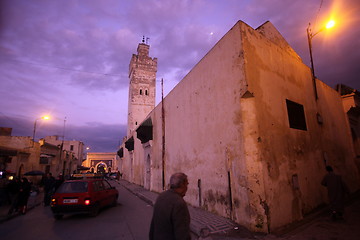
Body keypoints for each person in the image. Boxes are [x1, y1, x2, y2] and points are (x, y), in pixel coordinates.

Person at [149, 172, 191, 240]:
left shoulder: (161, 197)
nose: (187, 188)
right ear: (182, 185)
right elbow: (182, 234)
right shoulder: (179, 204)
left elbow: (153, 226)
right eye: (186, 184)